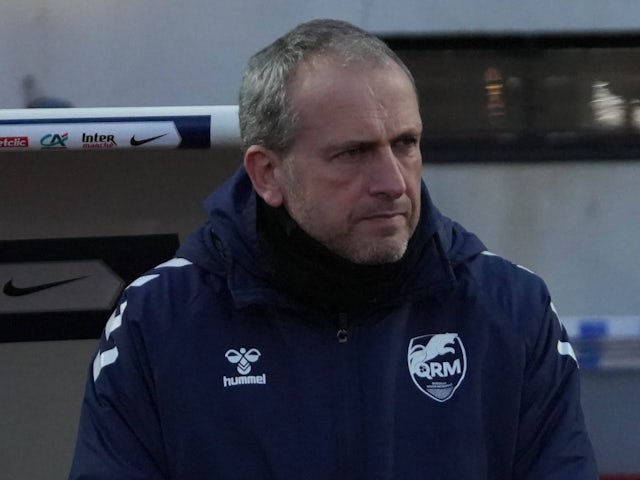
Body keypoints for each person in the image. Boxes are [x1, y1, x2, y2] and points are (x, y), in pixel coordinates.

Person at [68, 19, 598, 479]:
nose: (393, 181)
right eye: (354, 153)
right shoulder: (158, 322)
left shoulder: (513, 310)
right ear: (268, 173)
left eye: (405, 144)